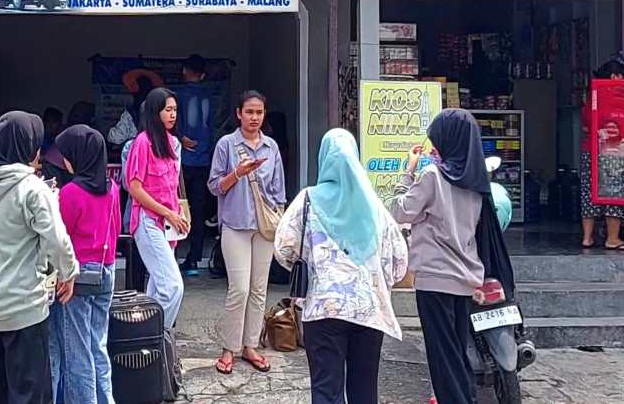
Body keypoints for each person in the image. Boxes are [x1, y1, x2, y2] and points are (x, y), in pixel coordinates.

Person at [274, 129, 408, 404]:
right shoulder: (374, 206)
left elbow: (284, 249)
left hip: (324, 308)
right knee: (364, 388)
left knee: (326, 389)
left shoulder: (308, 200)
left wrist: (313, 268)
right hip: (368, 310)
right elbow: (398, 262)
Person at [391, 109, 515, 404]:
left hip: (435, 280)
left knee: (443, 360)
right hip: (466, 278)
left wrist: (407, 172)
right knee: (458, 354)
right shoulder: (476, 180)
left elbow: (399, 211)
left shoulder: (432, 175)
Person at [0, 112, 79, 404]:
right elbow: (56, 240)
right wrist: (68, 273)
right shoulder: (33, 190)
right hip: (22, 307)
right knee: (29, 393)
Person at [209, 90, 286, 375]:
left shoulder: (271, 147)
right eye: (249, 112)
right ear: (239, 113)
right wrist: (238, 173)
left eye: (259, 112)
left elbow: (279, 189)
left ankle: (250, 345)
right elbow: (214, 186)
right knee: (238, 289)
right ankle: (229, 348)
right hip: (235, 224)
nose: (254, 117)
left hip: (264, 227)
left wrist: (279, 217)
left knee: (258, 289)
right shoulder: (226, 145)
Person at [49, 125, 121, 404]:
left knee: (76, 351)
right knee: (97, 345)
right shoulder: (112, 187)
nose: (64, 160)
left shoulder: (71, 193)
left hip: (75, 277)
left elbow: (59, 238)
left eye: (66, 154)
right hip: (106, 270)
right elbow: (114, 229)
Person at [125, 87, 190, 330]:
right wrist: (168, 213)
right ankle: (156, 335)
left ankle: (148, 344)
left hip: (167, 223)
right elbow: (135, 188)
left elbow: (173, 187)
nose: (173, 115)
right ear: (155, 112)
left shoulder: (173, 143)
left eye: (174, 110)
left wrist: (178, 214)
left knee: (158, 286)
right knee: (173, 286)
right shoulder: (142, 143)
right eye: (167, 110)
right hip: (148, 220)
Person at [580, 59, 624, 250]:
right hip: (612, 151)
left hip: (590, 150)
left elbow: (588, 121)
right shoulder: (613, 96)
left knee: (589, 191)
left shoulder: (591, 95)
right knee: (615, 190)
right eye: (623, 77)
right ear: (615, 76)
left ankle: (587, 237)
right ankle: (613, 238)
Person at [175, 55, 214, 276]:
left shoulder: (178, 95)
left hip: (181, 163)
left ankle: (174, 255)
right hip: (204, 160)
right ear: (204, 74)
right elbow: (213, 126)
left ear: (184, 71)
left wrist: (180, 137)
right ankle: (195, 258)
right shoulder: (210, 96)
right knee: (198, 211)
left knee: (175, 208)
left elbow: (172, 125)